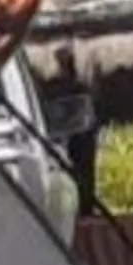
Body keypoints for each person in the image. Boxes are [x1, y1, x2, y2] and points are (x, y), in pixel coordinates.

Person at [42, 46, 101, 217]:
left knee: (84, 174)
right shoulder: (66, 87)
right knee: (79, 174)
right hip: (73, 138)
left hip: (81, 138)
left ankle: (85, 208)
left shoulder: (71, 88)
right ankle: (82, 209)